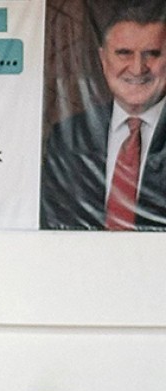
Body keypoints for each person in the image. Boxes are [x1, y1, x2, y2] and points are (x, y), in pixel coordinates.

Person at [41, 2, 166, 230]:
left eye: (152, 54)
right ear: (103, 59)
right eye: (124, 53)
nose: (137, 68)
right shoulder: (67, 138)